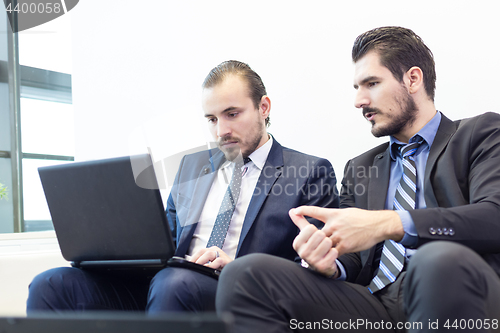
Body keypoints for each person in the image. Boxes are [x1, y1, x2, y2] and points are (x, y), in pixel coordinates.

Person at [216, 28, 500, 332]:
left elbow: (493, 217)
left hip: (458, 291)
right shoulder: (360, 167)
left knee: (436, 259)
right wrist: (330, 262)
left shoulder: (480, 134)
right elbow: (353, 262)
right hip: (374, 307)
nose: (359, 100)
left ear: (413, 79)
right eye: (356, 87)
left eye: (372, 84)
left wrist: (390, 223)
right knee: (245, 274)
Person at [27, 60, 339, 314]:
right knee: (51, 284)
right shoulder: (193, 167)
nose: (222, 131)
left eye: (232, 114)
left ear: (264, 107)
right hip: (167, 283)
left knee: (173, 283)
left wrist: (239, 269)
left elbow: (313, 269)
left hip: (240, 293)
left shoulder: (309, 171)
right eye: (212, 119)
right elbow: (169, 241)